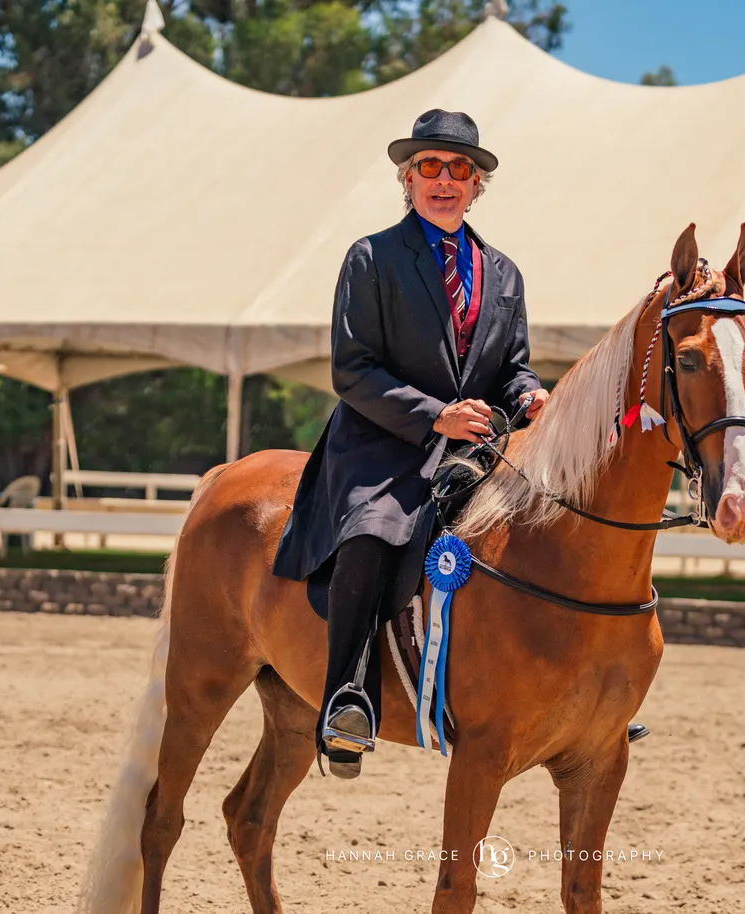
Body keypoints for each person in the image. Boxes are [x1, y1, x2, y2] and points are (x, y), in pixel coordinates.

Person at [272, 109, 549, 778]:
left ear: (478, 184)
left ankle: (568, 690)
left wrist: (531, 395)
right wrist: (435, 415)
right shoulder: (371, 257)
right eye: (430, 166)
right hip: (382, 443)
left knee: (551, 526)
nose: (445, 180)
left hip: (476, 449)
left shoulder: (504, 273)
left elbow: (512, 365)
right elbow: (352, 368)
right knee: (371, 534)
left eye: (460, 169)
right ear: (407, 177)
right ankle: (348, 698)